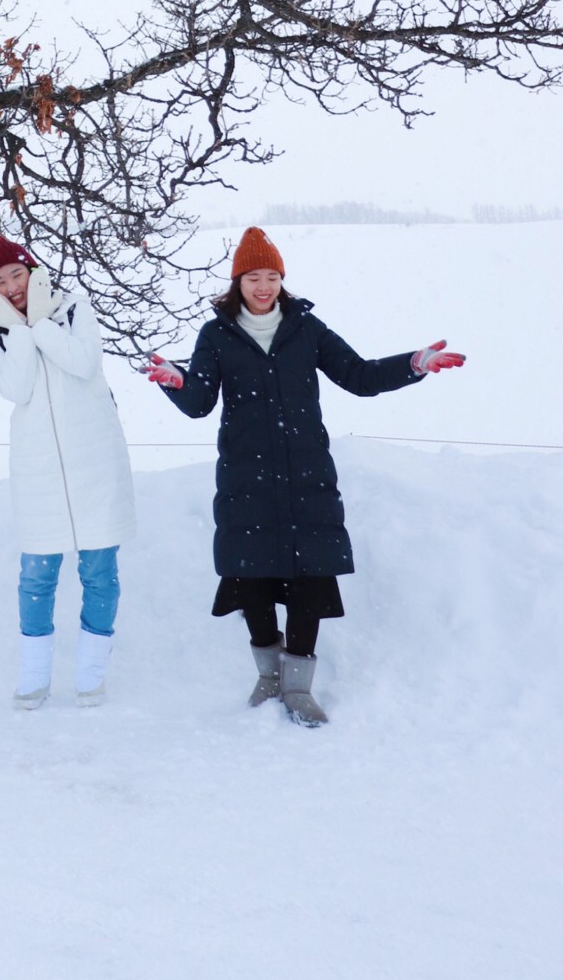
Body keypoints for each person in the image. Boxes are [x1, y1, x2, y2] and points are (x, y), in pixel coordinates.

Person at [145, 226, 465, 726]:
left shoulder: (305, 328)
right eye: (254, 277)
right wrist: (177, 381)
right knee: (251, 580)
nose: (264, 286)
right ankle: (268, 677)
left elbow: (358, 376)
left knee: (310, 582)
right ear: (238, 282)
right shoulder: (218, 334)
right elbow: (198, 401)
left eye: (272, 276)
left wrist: (414, 364)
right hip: (245, 480)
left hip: (307, 477)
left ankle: (297, 688)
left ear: (282, 280)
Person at [0, 233, 136, 710]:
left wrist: (41, 321)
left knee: (99, 572)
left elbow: (84, 363)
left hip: (94, 466)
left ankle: (90, 676)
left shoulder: (74, 310)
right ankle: (34, 677)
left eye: (17, 275)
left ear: (33, 272)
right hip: (39, 474)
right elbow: (20, 389)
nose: (12, 286)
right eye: (0, 281)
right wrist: (23, 329)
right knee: (36, 577)